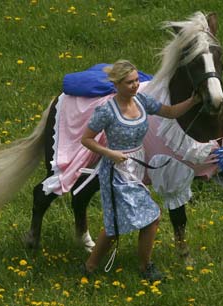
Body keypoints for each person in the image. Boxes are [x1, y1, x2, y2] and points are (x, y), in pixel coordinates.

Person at [81, 60, 200, 281]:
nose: (135, 85)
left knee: (114, 224)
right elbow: (86, 139)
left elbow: (171, 112)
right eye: (129, 82)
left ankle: (89, 267)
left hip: (136, 164)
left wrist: (193, 101)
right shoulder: (106, 111)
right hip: (117, 169)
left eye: (136, 80)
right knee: (152, 216)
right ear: (116, 84)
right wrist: (110, 153)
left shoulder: (142, 101)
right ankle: (146, 268)